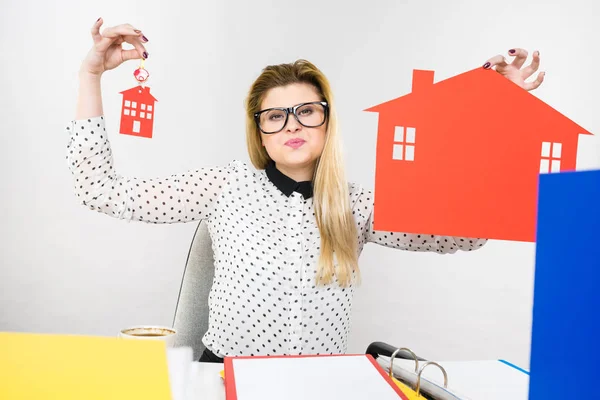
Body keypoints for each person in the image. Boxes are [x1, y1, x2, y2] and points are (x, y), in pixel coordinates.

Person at [66, 18, 545, 363]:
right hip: (227, 378)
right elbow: (99, 190)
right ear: (260, 130)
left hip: (321, 384)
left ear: (326, 121)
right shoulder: (225, 185)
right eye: (276, 115)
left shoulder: (356, 204)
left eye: (307, 110)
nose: (292, 123)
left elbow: (466, 233)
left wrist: (496, 110)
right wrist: (91, 76)